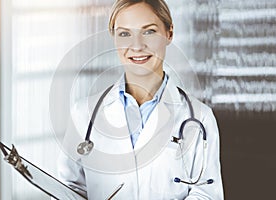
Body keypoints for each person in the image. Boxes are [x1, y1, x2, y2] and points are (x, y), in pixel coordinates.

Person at [58, 0, 224, 199]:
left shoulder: (200, 118)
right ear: (114, 38)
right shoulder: (83, 113)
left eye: (149, 31)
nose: (136, 46)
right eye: (125, 34)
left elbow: (206, 194)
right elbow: (68, 190)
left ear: (169, 34)